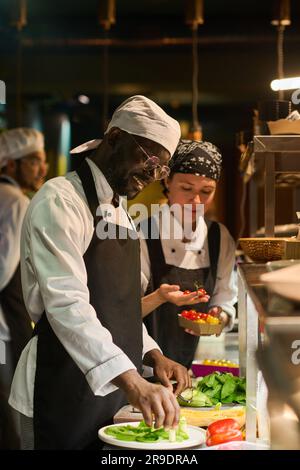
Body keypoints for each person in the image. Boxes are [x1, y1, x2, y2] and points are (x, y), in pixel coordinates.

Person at [9, 95, 191, 450]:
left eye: (161, 169)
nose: (152, 176)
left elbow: (116, 307)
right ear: (115, 138)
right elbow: (67, 305)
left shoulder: (120, 211)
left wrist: (151, 354)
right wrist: (131, 381)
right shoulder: (61, 200)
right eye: (149, 159)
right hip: (59, 384)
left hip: (108, 391)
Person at [141, 139, 237, 369]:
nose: (196, 201)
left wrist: (218, 317)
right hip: (143, 365)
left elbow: (225, 298)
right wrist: (160, 297)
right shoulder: (142, 234)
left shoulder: (219, 237)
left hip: (195, 362)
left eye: (206, 191)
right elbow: (123, 312)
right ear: (167, 180)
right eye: (186, 188)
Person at [0, 127, 46, 449]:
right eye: (33, 161)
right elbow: (3, 270)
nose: (42, 170)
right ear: (11, 165)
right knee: (10, 419)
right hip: (3, 325)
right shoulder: (14, 200)